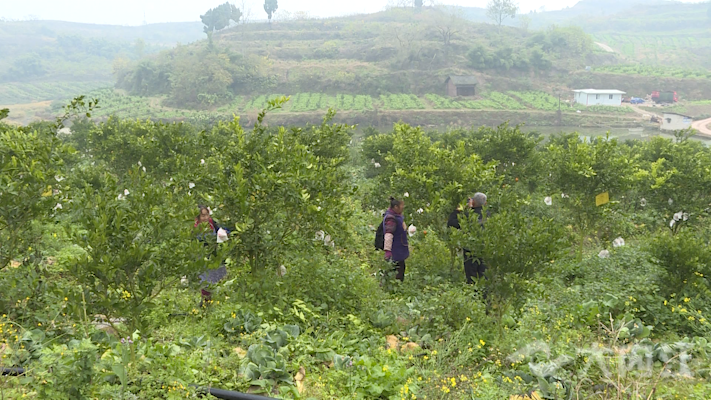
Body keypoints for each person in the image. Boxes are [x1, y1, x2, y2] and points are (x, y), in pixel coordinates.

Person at [447, 192, 487, 284]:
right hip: (485, 248)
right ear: (485, 203)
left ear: (473, 202)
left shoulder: (468, 215)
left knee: (471, 277)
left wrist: (459, 210)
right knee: (484, 276)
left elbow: (451, 223)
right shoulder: (487, 214)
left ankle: (473, 296)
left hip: (470, 251)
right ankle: (484, 297)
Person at [194, 205, 229, 304]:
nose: (205, 218)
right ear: (198, 217)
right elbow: (197, 240)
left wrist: (224, 233)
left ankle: (214, 301)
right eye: (203, 216)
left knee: (215, 279)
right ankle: (205, 303)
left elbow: (221, 228)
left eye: (207, 215)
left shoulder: (211, 223)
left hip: (213, 255)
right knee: (205, 280)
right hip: (203, 256)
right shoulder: (196, 228)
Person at [383, 196, 410, 281]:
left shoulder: (397, 216)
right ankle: (392, 291)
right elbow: (388, 235)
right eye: (402, 206)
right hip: (394, 252)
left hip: (399, 251)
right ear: (396, 207)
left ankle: (394, 290)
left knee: (399, 271)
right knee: (394, 273)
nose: (403, 208)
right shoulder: (391, 219)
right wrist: (388, 251)